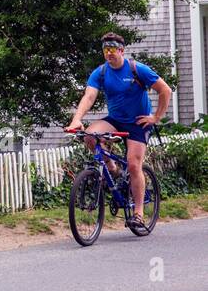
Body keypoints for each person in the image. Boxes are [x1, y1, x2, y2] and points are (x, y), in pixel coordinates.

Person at [67, 32, 172, 223]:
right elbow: (89, 97)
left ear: (121, 50)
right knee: (89, 135)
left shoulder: (136, 69)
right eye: (105, 49)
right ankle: (112, 167)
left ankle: (139, 214)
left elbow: (165, 90)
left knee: (133, 164)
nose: (109, 53)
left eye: (112, 49)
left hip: (138, 123)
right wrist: (76, 119)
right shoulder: (100, 72)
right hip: (115, 120)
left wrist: (156, 117)